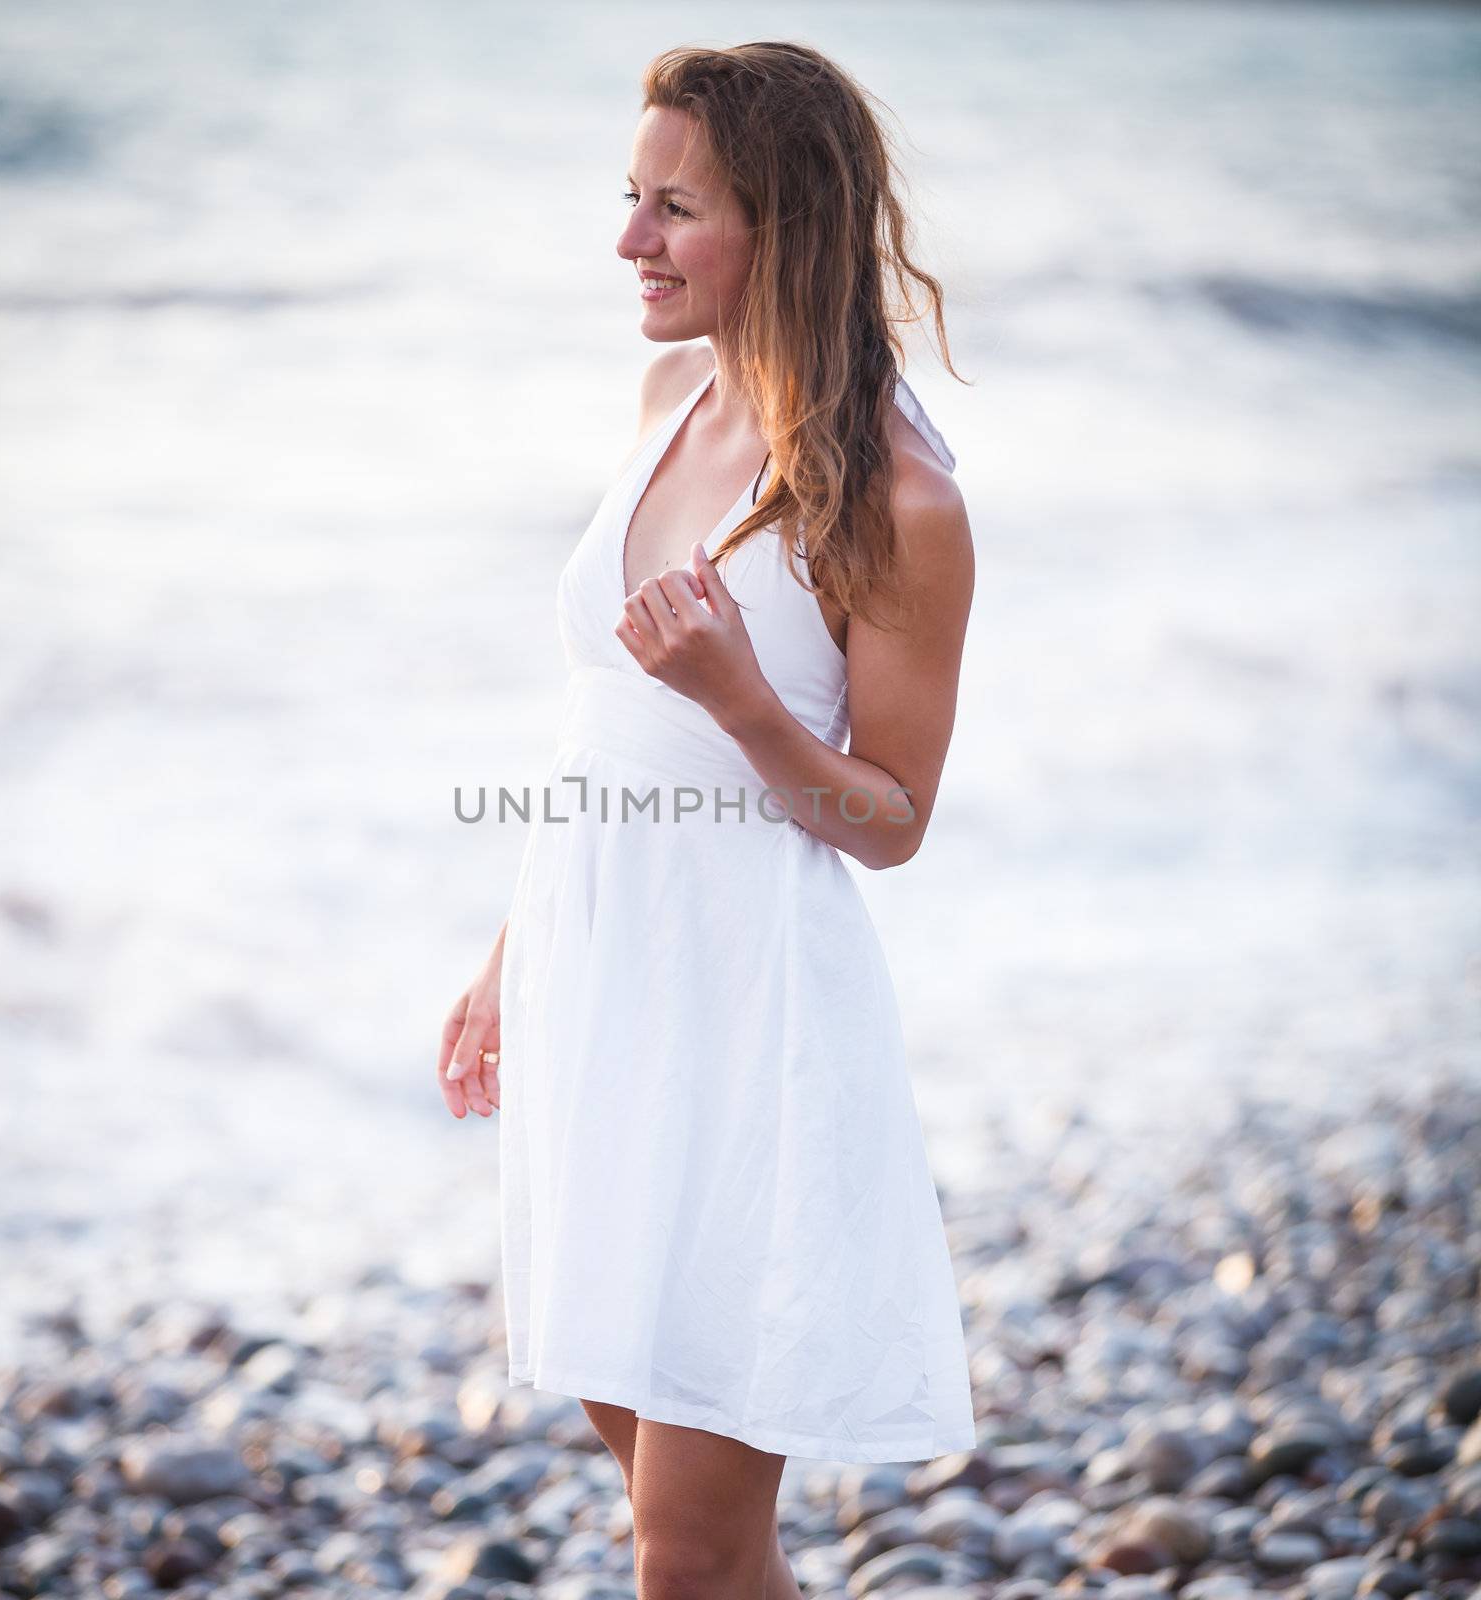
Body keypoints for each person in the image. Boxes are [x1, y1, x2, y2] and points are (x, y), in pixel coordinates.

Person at [437, 40, 977, 1598]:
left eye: (674, 209)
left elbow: (890, 821)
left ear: (785, 227)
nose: (628, 243)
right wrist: (509, 953)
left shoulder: (901, 500)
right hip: (599, 997)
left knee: (688, 1553)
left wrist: (747, 697)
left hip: (750, 1033)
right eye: (632, 198)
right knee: (691, 1534)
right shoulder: (670, 390)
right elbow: (602, 731)